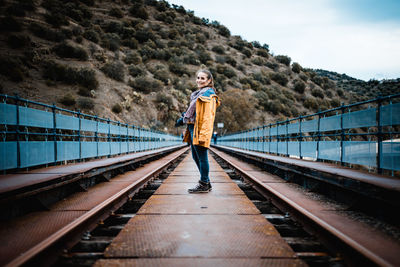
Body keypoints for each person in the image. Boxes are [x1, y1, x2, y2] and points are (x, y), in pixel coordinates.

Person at [175, 69, 220, 193]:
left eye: (202, 78)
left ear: (209, 80)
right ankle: (206, 181)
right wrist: (184, 118)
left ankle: (204, 183)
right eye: (198, 78)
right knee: (196, 156)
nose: (199, 80)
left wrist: (204, 133)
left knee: (202, 157)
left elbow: (207, 117)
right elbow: (194, 112)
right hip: (192, 126)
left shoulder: (208, 95)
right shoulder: (198, 93)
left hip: (199, 128)